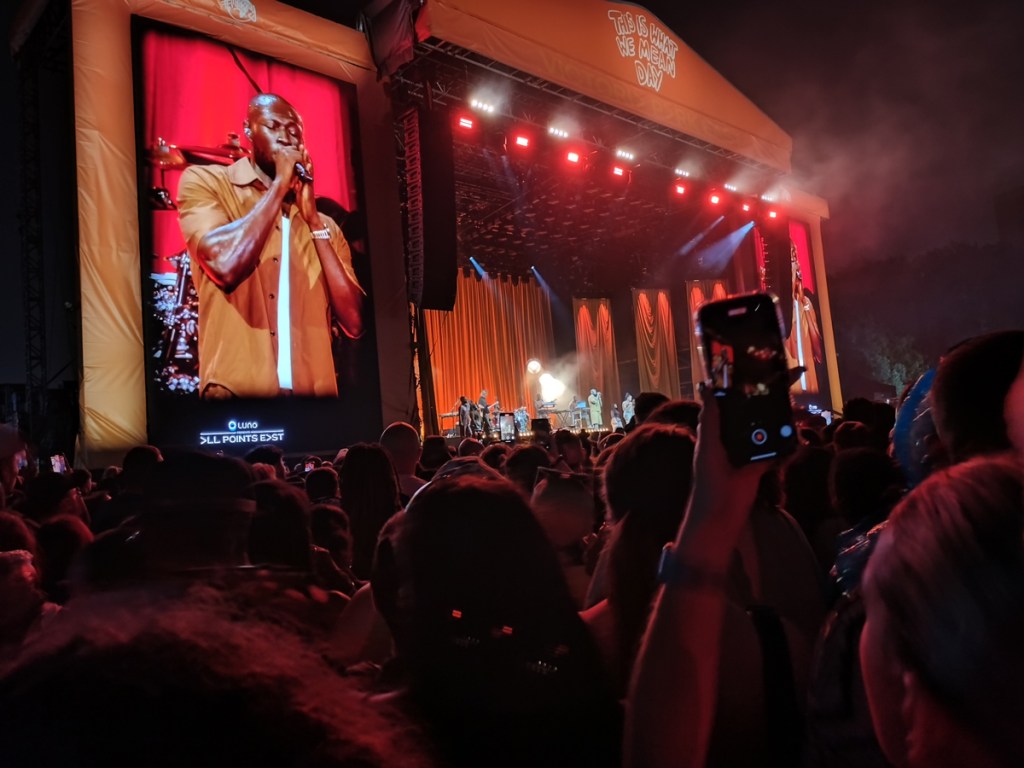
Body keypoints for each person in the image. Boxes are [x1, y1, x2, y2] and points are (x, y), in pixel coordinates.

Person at [177, 93, 364, 398]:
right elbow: (223, 266)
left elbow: (355, 322)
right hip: (238, 397)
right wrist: (279, 187)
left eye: (293, 131)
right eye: (273, 126)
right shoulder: (207, 182)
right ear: (248, 130)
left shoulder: (325, 226)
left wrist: (313, 221)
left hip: (313, 403)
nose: (285, 137)